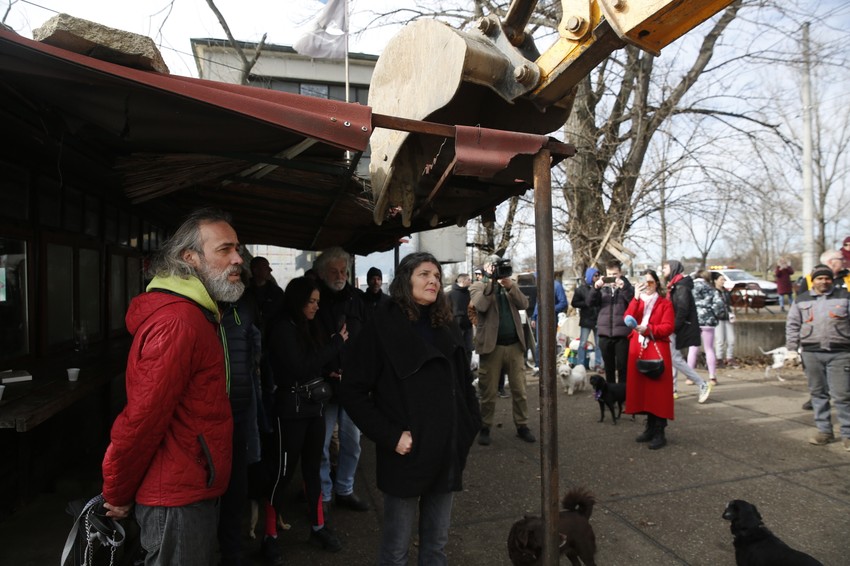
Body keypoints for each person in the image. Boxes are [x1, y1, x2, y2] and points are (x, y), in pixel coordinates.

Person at [101, 208, 243, 565]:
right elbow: (142, 420)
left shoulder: (197, 315)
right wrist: (116, 491)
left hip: (188, 485)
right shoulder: (180, 322)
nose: (238, 258)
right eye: (225, 249)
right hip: (176, 497)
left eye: (237, 248)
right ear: (189, 258)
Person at [340, 252, 482, 565]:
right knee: (396, 551)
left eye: (437, 276)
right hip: (406, 454)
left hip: (446, 450)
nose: (433, 280)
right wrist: (391, 436)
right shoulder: (382, 327)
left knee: (436, 547)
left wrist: (469, 424)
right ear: (406, 280)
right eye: (424, 274)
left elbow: (464, 382)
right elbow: (352, 391)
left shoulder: (446, 326)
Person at [265, 277, 348, 558]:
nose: (315, 306)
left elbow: (306, 365)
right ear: (298, 301)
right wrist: (335, 344)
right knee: (283, 474)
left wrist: (325, 374)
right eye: (311, 301)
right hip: (290, 411)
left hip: (312, 408)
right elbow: (299, 367)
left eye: (317, 302)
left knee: (313, 469)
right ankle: (270, 535)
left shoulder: (303, 327)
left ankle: (318, 527)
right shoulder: (282, 329)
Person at [313, 247, 370, 512]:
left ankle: (345, 489)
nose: (340, 275)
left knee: (352, 443)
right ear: (323, 273)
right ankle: (324, 493)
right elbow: (308, 343)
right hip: (325, 385)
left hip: (352, 385)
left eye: (343, 270)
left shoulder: (357, 299)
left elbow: (368, 339)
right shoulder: (314, 300)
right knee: (322, 445)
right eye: (334, 271)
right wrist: (325, 370)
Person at [218, 289, 264, 565]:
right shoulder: (193, 312)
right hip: (205, 421)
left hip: (239, 414)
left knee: (236, 489)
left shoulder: (242, 312)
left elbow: (254, 358)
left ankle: (232, 553)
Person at [470, 255, 535, 446]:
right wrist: (491, 283)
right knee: (488, 391)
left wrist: (510, 287)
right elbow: (481, 306)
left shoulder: (509, 284)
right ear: (486, 268)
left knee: (520, 390)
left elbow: (524, 304)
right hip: (492, 347)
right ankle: (485, 426)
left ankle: (522, 426)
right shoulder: (477, 286)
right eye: (493, 266)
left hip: (515, 346)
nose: (496, 270)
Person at [785, 264, 850, 451]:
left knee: (843, 396)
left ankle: (847, 434)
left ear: (832, 279)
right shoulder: (801, 299)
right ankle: (824, 431)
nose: (824, 281)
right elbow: (792, 325)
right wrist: (791, 349)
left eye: (827, 278)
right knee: (818, 394)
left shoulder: (844, 297)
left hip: (841, 353)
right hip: (811, 353)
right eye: (819, 278)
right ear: (813, 280)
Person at [624, 269, 676, 450]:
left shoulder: (664, 304)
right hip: (638, 349)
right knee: (643, 390)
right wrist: (636, 298)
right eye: (644, 282)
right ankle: (649, 427)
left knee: (658, 392)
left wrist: (648, 329)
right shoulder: (637, 300)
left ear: (657, 284)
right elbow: (628, 318)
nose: (647, 286)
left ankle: (660, 430)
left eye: (651, 282)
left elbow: (668, 327)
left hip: (656, 347)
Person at [662, 260, 711, 403]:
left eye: (665, 267)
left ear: (672, 269)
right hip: (673, 326)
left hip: (676, 327)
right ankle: (672, 389)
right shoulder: (674, 285)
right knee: (672, 358)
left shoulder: (681, 287)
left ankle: (702, 383)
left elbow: (682, 309)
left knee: (674, 358)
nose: (663, 270)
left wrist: (672, 327)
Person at [587, 259, 634, 384]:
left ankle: (623, 395)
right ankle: (611, 395)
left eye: (615, 275)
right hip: (604, 333)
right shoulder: (603, 289)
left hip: (622, 334)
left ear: (620, 273)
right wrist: (596, 287)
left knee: (623, 367)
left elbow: (633, 303)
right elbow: (590, 303)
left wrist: (623, 288)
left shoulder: (627, 286)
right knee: (609, 368)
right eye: (609, 275)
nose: (612, 278)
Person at [688, 269, 725, 386]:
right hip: (708, 321)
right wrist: (717, 315)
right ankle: (712, 377)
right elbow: (719, 305)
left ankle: (690, 377)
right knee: (709, 349)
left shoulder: (690, 288)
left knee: (693, 348)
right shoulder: (711, 289)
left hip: (693, 321)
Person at [530, 269, 569, 369]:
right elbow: (538, 303)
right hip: (539, 318)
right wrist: (534, 317)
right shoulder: (540, 286)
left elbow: (563, 302)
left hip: (551, 318)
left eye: (537, 277)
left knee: (550, 341)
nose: (536, 279)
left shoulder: (556, 285)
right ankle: (538, 365)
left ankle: (551, 365)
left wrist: (550, 309)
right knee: (540, 342)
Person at [571, 267, 603, 371]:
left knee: (599, 344)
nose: (597, 277)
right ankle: (580, 365)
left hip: (598, 319)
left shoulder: (600, 288)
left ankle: (598, 364)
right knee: (582, 343)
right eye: (595, 275)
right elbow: (574, 303)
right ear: (590, 276)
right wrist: (586, 303)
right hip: (586, 320)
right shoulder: (580, 289)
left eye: (598, 275)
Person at [446, 273, 474, 364]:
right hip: (455, 328)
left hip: (468, 327)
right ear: (462, 281)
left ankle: (467, 371)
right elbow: (446, 311)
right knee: (457, 350)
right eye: (469, 279)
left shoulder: (469, 294)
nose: (470, 281)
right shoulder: (449, 294)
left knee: (468, 350)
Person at [712, 272, 737, 369]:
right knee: (720, 340)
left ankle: (729, 358)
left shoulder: (725, 292)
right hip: (718, 318)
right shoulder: (713, 292)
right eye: (721, 279)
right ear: (715, 280)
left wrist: (731, 314)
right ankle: (719, 358)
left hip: (727, 317)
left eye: (724, 279)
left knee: (731, 339)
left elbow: (729, 304)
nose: (723, 281)